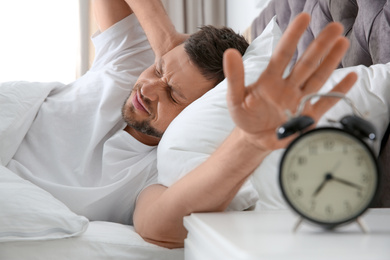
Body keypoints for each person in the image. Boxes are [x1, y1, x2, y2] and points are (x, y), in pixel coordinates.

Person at [5, 0, 357, 249]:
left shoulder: (153, 172)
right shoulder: (128, 67)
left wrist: (251, 142)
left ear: (195, 112)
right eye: (157, 71)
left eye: (173, 95)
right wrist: (165, 43)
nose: (149, 89)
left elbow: (161, 226)